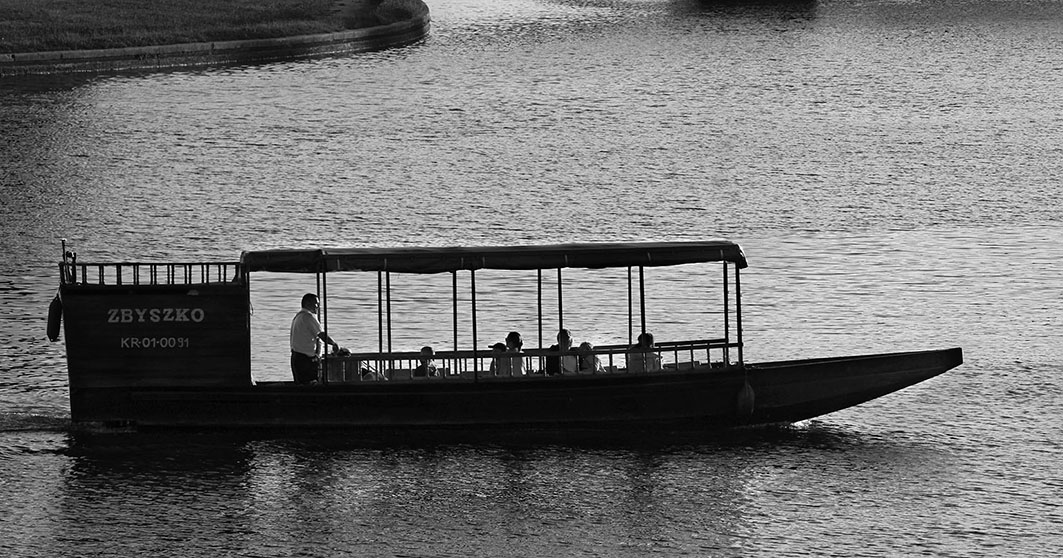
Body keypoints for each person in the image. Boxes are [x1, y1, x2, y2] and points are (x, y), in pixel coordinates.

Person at [290, 293, 340, 385]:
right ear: (308, 303)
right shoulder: (308, 317)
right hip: (305, 360)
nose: (318, 306)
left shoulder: (298, 317)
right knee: (310, 384)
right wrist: (333, 343)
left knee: (301, 384)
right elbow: (321, 334)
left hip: (296, 357)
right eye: (316, 303)